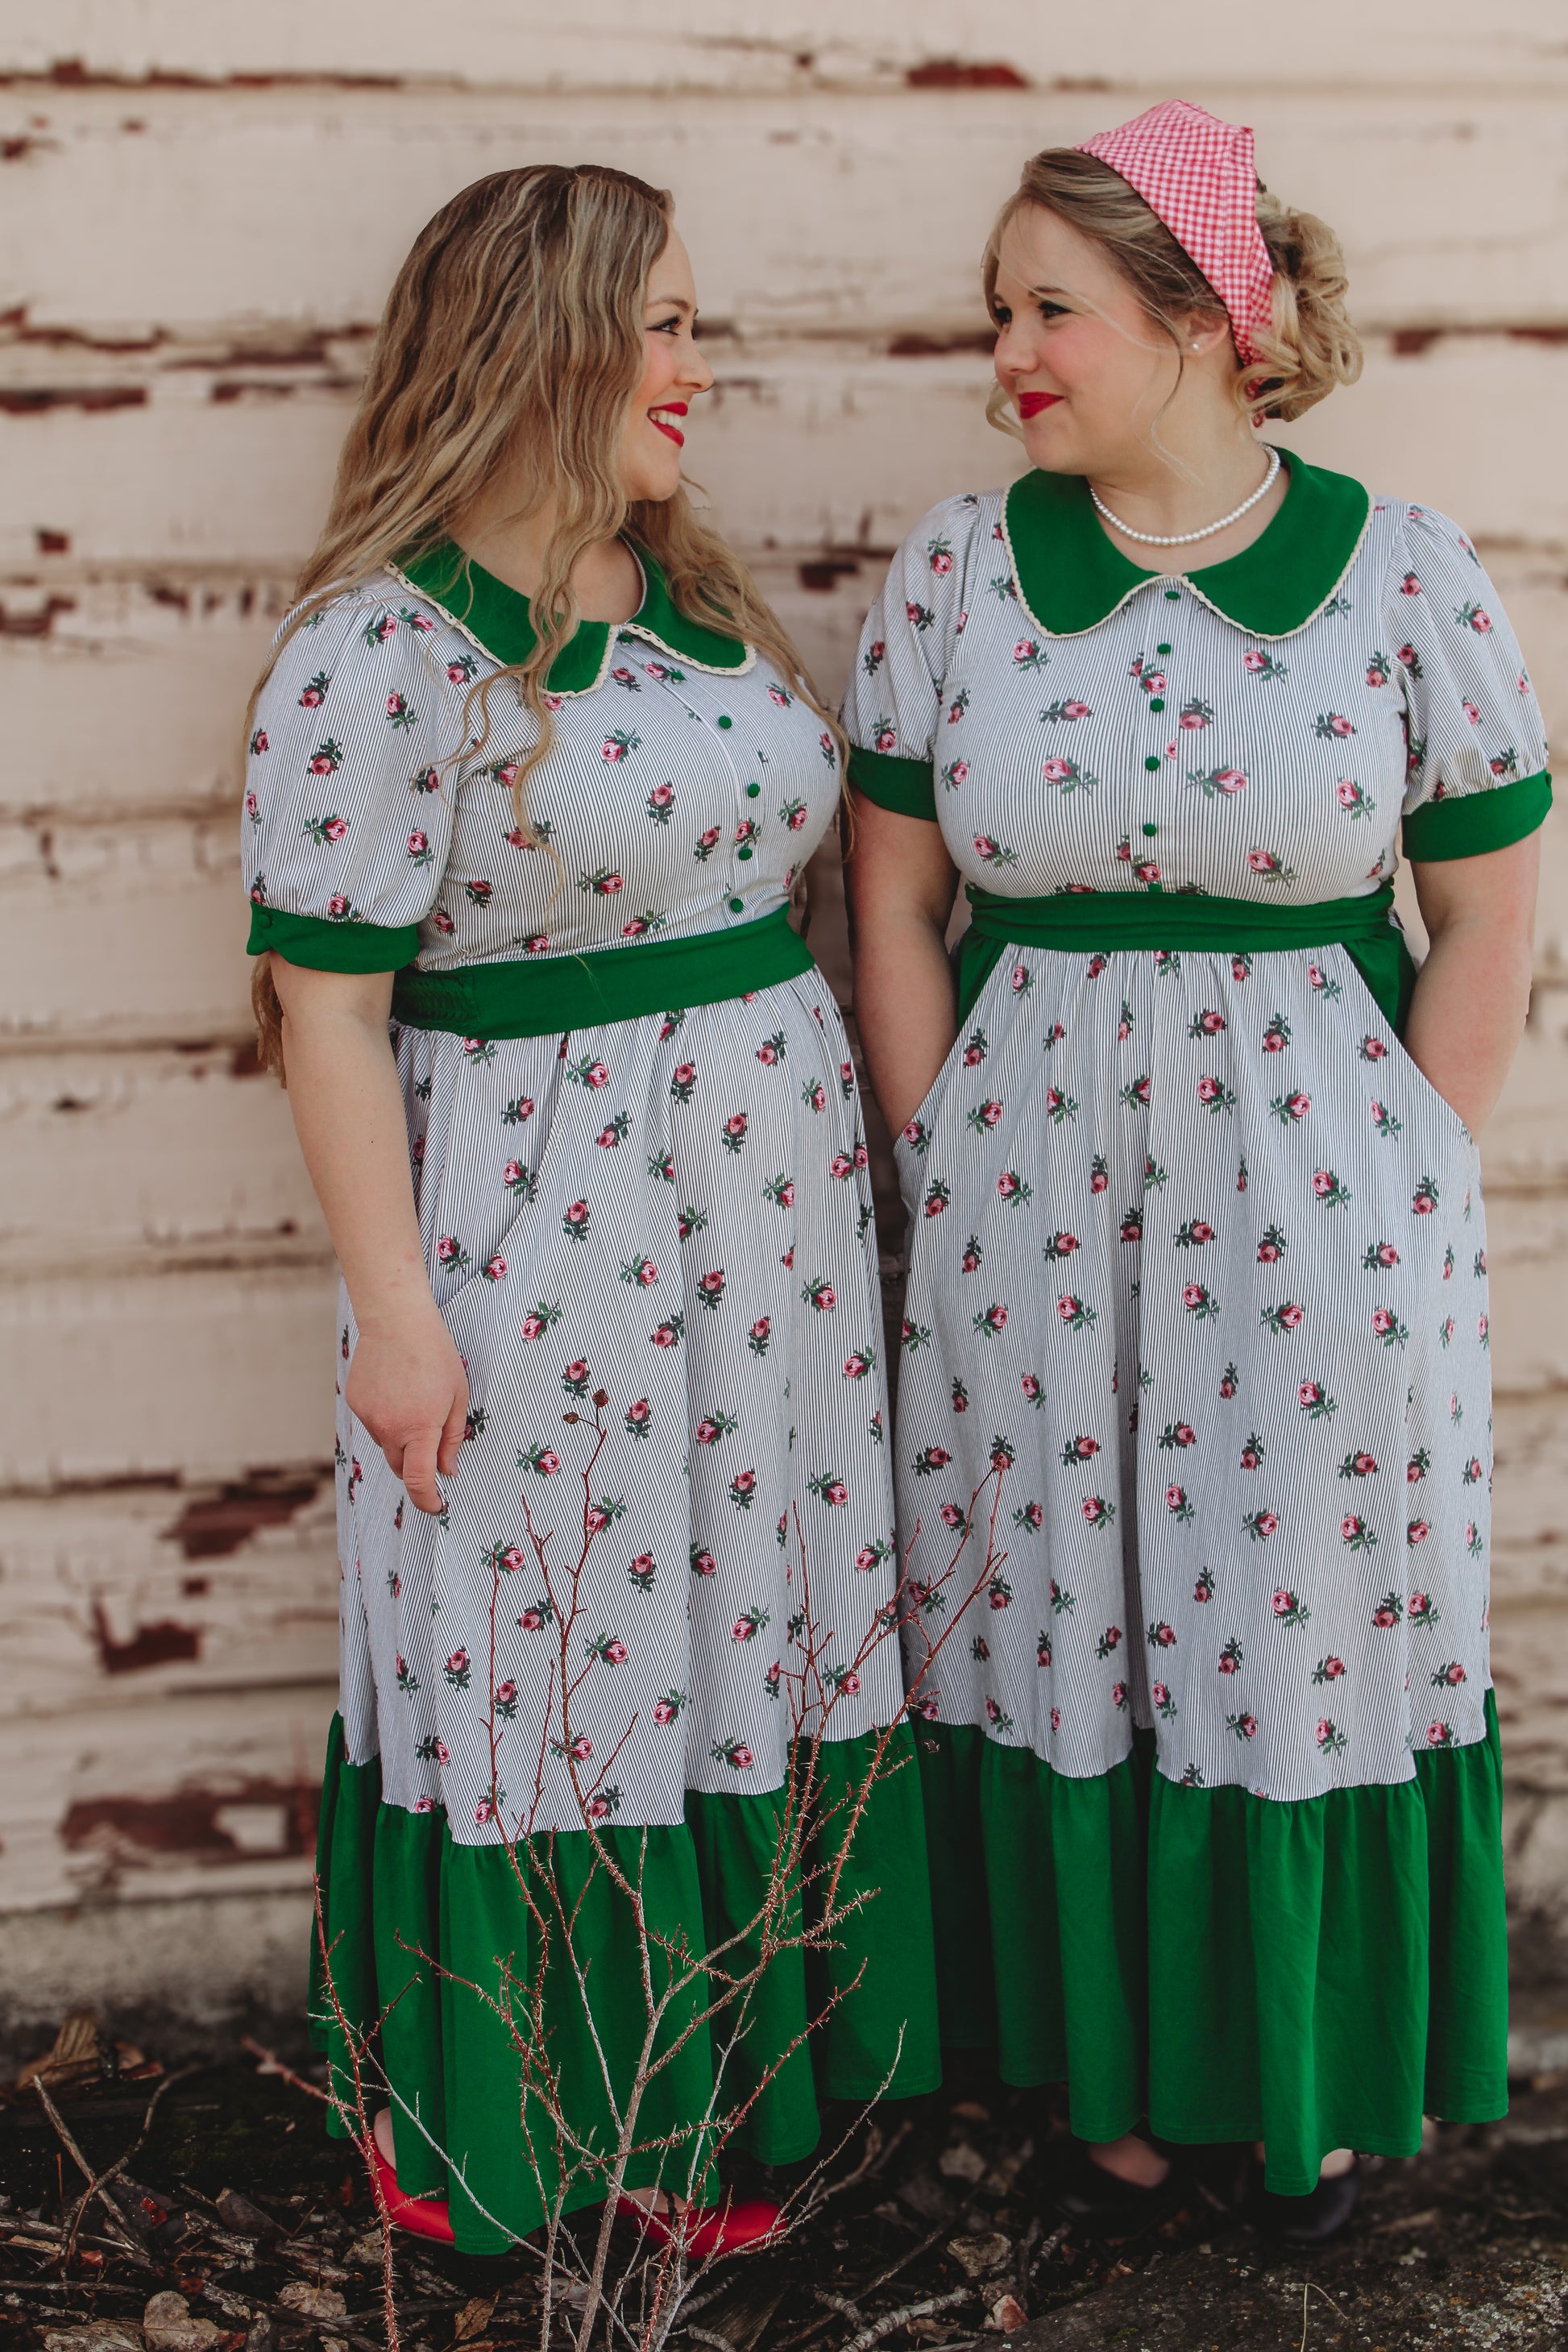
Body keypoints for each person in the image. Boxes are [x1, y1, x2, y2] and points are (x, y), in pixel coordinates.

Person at [843, 102, 1548, 2245]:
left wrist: (1409, 1160)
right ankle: (1114, 2093)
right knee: (1071, 1620)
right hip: (1023, 1201)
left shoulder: (1403, 576)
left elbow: (1490, 913)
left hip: (1318, 1202)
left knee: (1293, 1626)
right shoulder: (957, 575)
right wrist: (938, 1149)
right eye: (996, 315)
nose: (1007, 355)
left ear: (1204, 315)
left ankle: (1305, 2097)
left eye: (1046, 309)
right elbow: (884, 904)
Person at [243, 162, 937, 2256]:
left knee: (747, 1639)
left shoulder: (698, 608)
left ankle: (736, 2103)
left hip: (768, 1256)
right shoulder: (377, 660)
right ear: (527, 346)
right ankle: (550, 2131)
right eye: (652, 327)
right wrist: (400, 1317)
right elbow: (328, 1017)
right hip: (540, 1250)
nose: (688, 369)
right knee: (568, 1659)